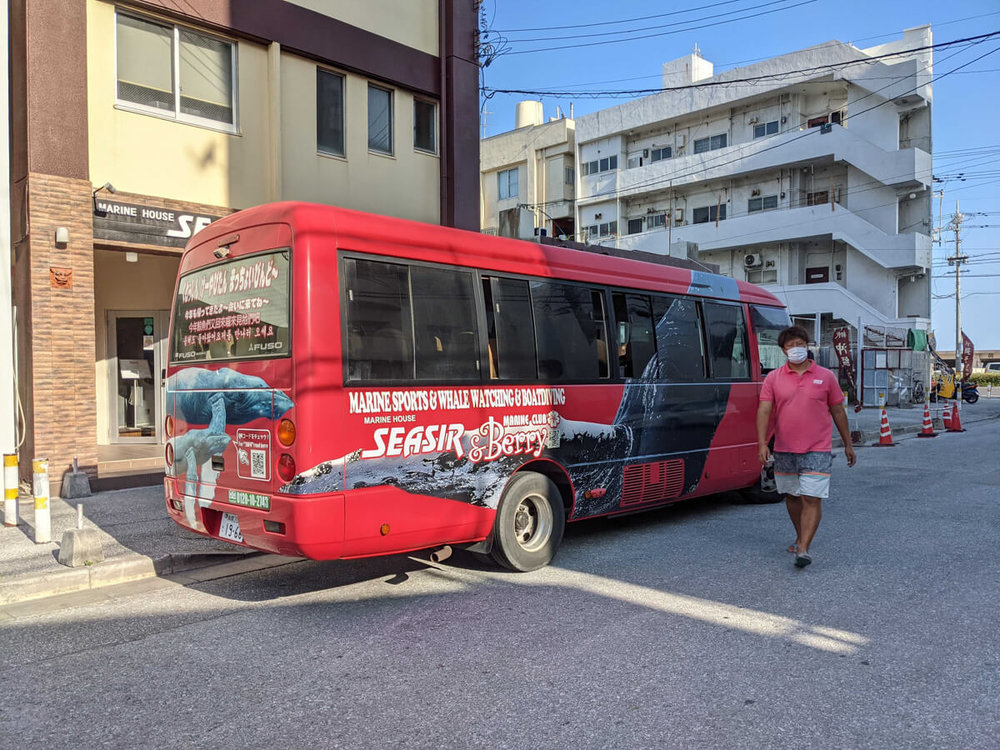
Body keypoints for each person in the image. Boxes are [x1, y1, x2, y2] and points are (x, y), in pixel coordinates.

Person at [756, 326, 856, 568]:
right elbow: (765, 410)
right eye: (789, 346)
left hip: (817, 448)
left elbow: (838, 411)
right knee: (791, 496)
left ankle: (804, 548)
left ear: (808, 345)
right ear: (782, 350)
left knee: (811, 497)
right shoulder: (773, 378)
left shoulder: (826, 377)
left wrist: (847, 444)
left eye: (799, 344)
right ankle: (801, 536)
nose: (795, 349)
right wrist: (761, 443)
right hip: (785, 448)